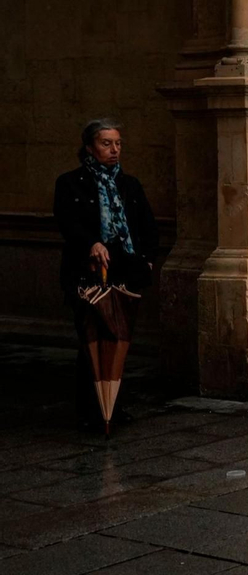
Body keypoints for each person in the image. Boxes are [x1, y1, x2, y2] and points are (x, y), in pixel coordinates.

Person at [54, 118, 158, 429]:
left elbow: (147, 226)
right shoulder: (70, 182)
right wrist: (91, 243)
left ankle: (114, 406)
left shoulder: (130, 185)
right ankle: (90, 410)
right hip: (87, 272)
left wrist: (148, 260)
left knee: (119, 338)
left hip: (123, 270)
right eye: (106, 143)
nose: (114, 150)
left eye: (118, 144)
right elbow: (66, 221)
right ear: (89, 147)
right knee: (91, 338)